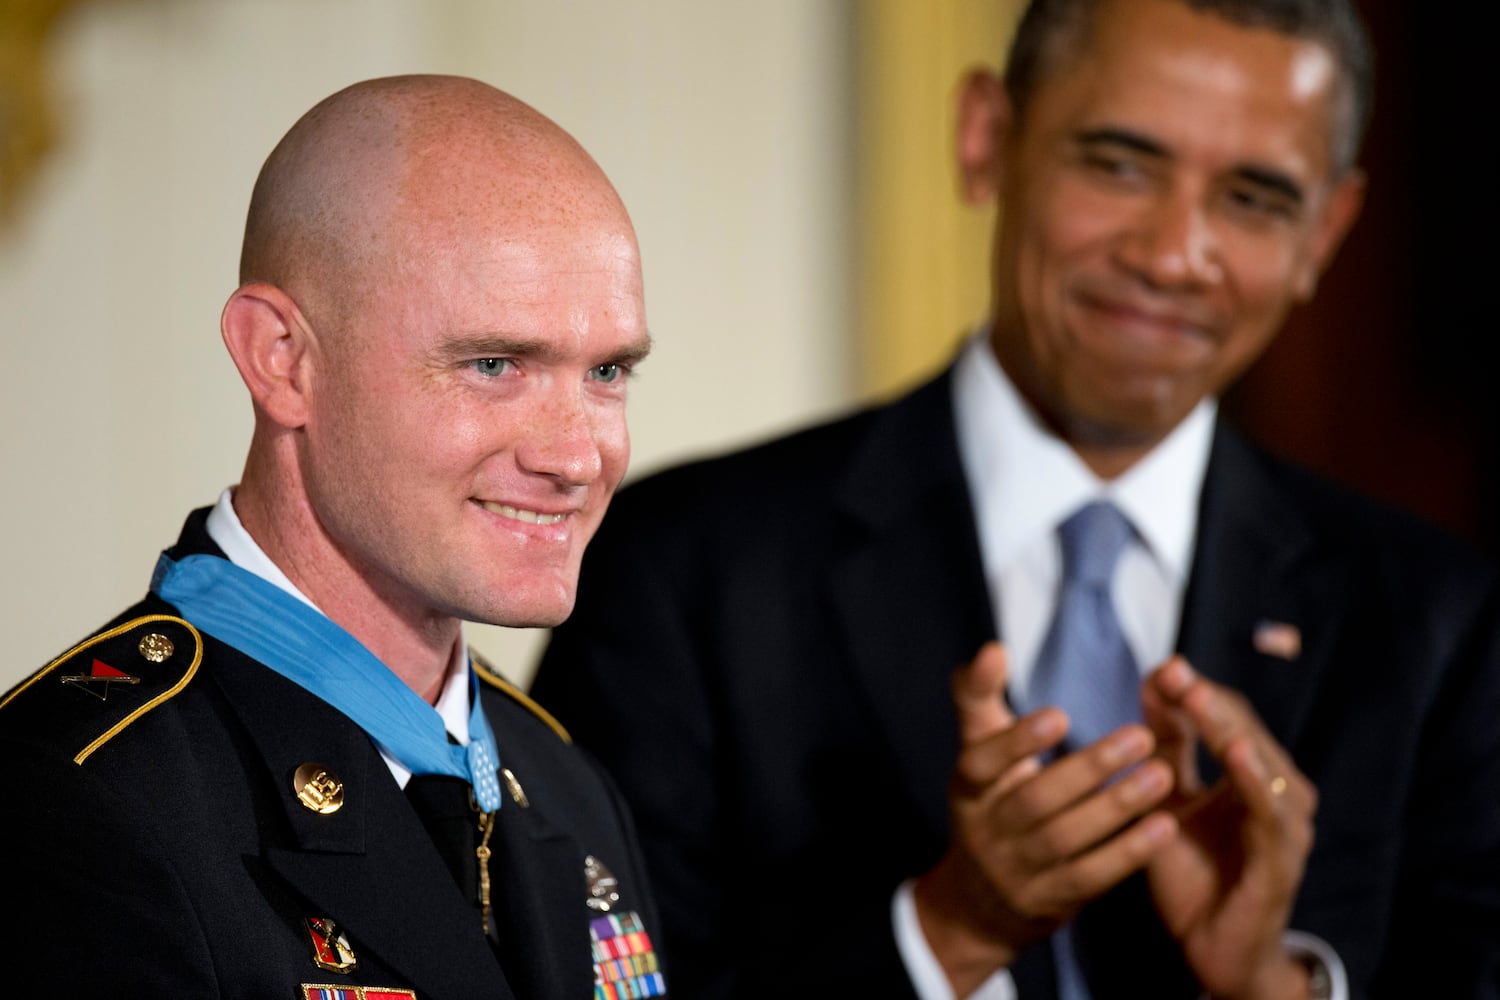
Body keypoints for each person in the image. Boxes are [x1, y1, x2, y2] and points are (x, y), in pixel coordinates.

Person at [533, 1, 1500, 997]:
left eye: (1254, 198)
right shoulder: (685, 566)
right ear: (987, 137)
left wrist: (1271, 984)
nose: (1174, 254)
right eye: (1120, 164)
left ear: (1326, 231)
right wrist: (949, 933)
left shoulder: (1437, 624)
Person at [0, 74, 665, 1000]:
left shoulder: (560, 780)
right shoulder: (76, 802)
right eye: (493, 363)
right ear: (282, 359)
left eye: (606, 371)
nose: (576, 457)